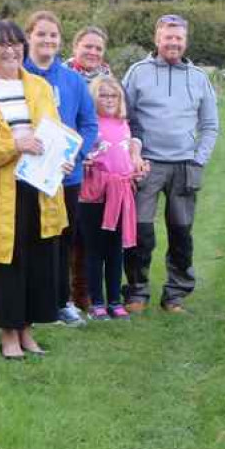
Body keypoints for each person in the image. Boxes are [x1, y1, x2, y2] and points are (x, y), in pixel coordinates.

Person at [0, 20, 69, 359]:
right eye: (2, 44)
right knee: (9, 263)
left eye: (16, 43)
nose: (10, 50)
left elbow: (53, 131)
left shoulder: (39, 86)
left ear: (24, 47)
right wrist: (14, 145)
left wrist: (62, 158)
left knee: (37, 259)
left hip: (39, 186)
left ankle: (27, 332)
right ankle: (8, 336)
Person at [122, 14, 219, 314]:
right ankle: (137, 292)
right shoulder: (137, 73)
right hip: (147, 166)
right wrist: (132, 157)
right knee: (140, 232)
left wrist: (198, 159)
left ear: (185, 41)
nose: (173, 43)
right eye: (168, 37)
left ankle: (175, 294)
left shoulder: (199, 78)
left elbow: (210, 124)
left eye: (178, 38)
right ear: (157, 39)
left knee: (181, 232)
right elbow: (123, 119)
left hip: (184, 167)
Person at [24, 11, 98, 327]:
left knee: (63, 239)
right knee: (31, 238)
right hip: (27, 175)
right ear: (29, 37)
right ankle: (31, 302)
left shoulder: (72, 80)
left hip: (68, 176)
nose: (48, 40)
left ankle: (61, 301)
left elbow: (89, 123)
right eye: (41, 34)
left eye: (53, 35)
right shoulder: (16, 77)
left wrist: (76, 155)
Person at [80, 77, 144, 320]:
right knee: (95, 250)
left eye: (113, 96)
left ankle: (115, 300)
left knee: (115, 249)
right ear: (93, 98)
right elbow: (81, 153)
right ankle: (97, 301)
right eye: (103, 95)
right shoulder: (88, 124)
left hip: (122, 193)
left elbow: (127, 157)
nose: (108, 100)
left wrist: (137, 167)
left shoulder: (123, 125)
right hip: (94, 195)